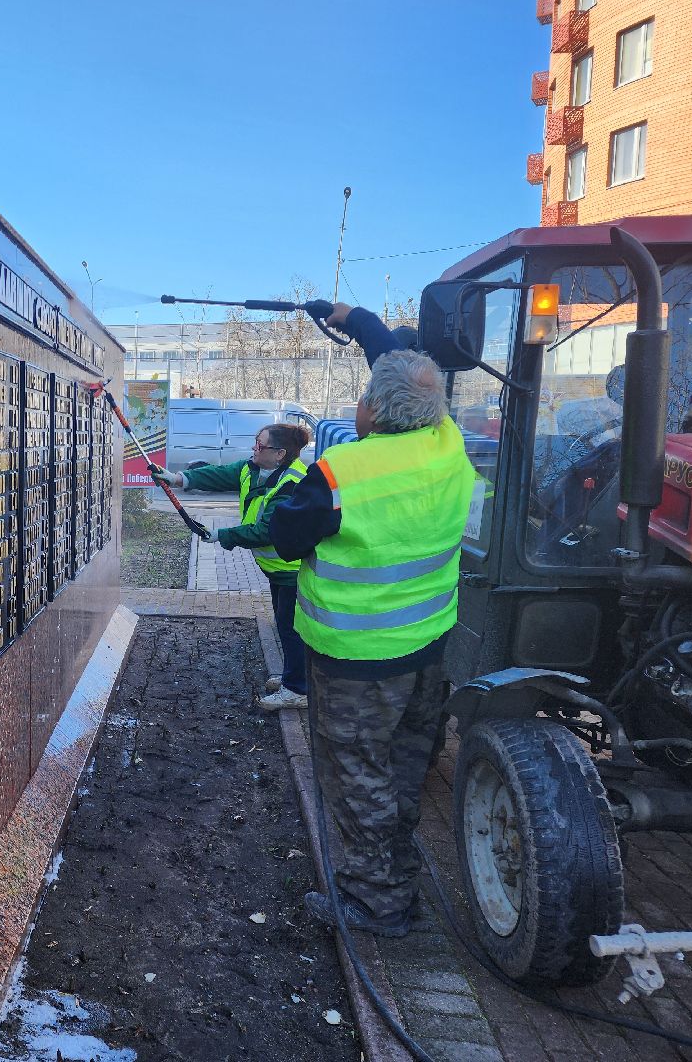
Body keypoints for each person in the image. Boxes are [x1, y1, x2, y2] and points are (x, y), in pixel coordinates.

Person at [269, 304, 477, 939]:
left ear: (374, 412)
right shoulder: (448, 444)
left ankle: (375, 904)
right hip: (427, 650)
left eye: (363, 397)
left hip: (356, 663)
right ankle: (398, 868)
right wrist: (354, 317)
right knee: (404, 769)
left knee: (358, 778)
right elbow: (397, 367)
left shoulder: (340, 472)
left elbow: (284, 537)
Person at [151, 423, 312, 710]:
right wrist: (178, 478)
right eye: (255, 442)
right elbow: (219, 474)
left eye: (260, 445)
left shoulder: (292, 484)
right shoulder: (252, 468)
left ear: (279, 454)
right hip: (277, 569)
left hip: (292, 571)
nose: (254, 448)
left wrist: (220, 535)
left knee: (290, 630)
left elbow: (266, 531)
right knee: (284, 625)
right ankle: (292, 677)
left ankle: (297, 689)